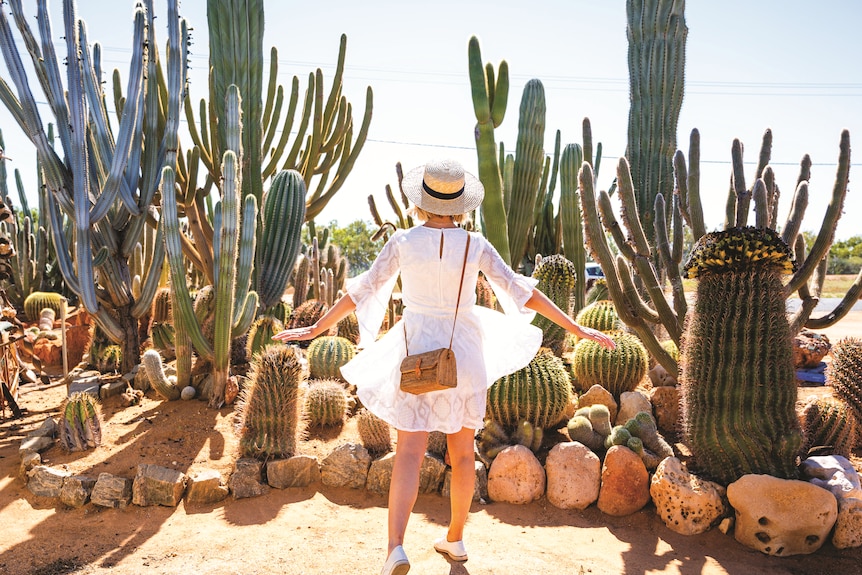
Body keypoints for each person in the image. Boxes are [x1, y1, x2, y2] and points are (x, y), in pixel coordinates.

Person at [273, 158, 615, 575]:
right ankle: (455, 539)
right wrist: (576, 327)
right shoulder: (476, 245)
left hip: (416, 353)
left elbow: (363, 291)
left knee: (410, 454)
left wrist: (315, 327)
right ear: (460, 205)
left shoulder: (402, 241)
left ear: (420, 201)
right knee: (463, 453)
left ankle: (395, 550)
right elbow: (522, 293)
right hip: (465, 355)